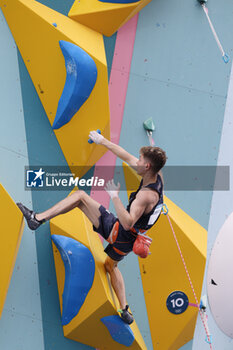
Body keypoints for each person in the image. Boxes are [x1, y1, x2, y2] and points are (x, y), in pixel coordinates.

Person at [17, 130, 167, 325]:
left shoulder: (146, 196)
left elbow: (127, 221)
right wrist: (103, 141)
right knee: (110, 265)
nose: (135, 161)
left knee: (80, 197)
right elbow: (126, 155)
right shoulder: (156, 175)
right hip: (129, 242)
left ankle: (37, 218)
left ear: (147, 166)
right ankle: (124, 309)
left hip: (120, 232)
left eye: (140, 160)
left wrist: (114, 195)